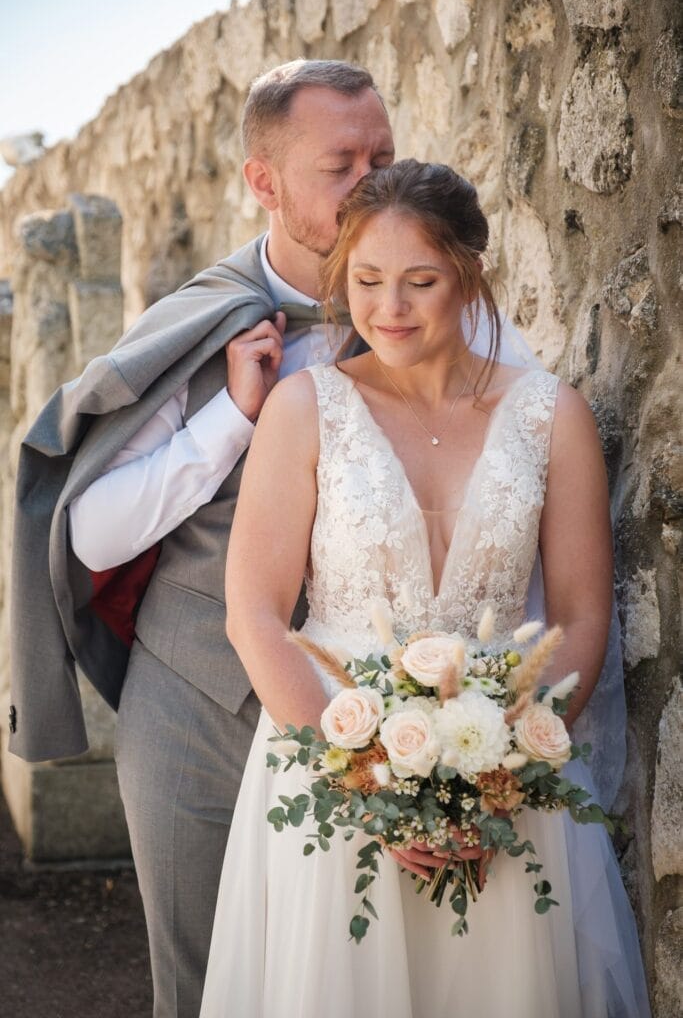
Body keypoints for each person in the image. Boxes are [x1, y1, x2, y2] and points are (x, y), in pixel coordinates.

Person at [199, 160, 651, 1017]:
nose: (388, 309)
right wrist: (361, 783)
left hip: (507, 773)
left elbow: (583, 616)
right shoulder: (306, 407)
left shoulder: (551, 415)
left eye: (419, 281)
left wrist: (506, 771)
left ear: (469, 274)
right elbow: (253, 612)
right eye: (366, 281)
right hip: (334, 770)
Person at [9, 59, 394, 1018]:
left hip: (368, 702)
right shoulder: (198, 320)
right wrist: (226, 419)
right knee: (202, 980)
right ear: (264, 182)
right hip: (193, 702)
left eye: (383, 157)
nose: (371, 184)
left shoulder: (423, 304)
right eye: (339, 164)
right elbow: (91, 529)